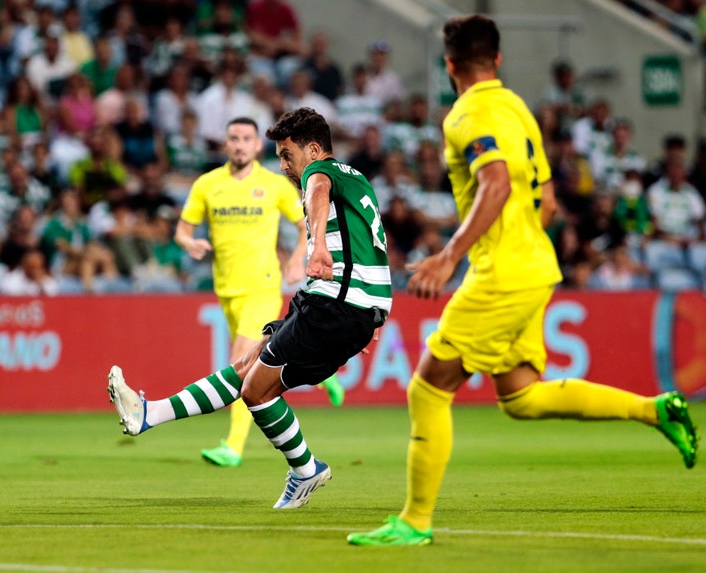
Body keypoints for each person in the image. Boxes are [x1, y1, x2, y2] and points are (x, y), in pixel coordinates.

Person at [347, 14, 698, 548]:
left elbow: (495, 185)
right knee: (521, 395)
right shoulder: (518, 109)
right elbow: (549, 201)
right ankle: (655, 409)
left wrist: (448, 255)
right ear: (498, 60)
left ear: (449, 66)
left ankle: (415, 522)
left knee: (427, 388)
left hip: (504, 272)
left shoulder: (468, 114)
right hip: (535, 263)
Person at [108, 107, 391, 508]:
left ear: (312, 149)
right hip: (342, 303)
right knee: (245, 366)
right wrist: (375, 311)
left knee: (255, 391)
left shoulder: (319, 173)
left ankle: (306, 469)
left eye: (287, 155)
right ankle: (148, 414)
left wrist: (322, 250)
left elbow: (317, 191)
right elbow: (371, 245)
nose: (284, 165)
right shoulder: (358, 179)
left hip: (334, 304)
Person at [171, 115, 345, 467]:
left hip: (263, 284)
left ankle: (233, 446)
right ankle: (324, 376)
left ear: (255, 145)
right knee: (267, 353)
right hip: (227, 288)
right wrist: (191, 243)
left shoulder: (275, 184)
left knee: (242, 360)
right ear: (226, 143)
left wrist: (299, 258)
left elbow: (305, 224)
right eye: (233, 138)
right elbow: (182, 230)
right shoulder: (207, 185)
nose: (239, 144)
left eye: (246, 138)